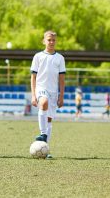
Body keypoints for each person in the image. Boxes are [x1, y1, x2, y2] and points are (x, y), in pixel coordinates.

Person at [30, 30, 66, 159]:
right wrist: (33, 95)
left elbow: (62, 79)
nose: (51, 42)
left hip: (53, 92)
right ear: (44, 41)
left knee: (49, 119)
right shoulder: (38, 56)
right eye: (49, 39)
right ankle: (43, 134)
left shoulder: (60, 58)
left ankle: (45, 147)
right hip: (41, 88)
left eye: (53, 40)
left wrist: (61, 96)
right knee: (43, 103)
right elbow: (33, 77)